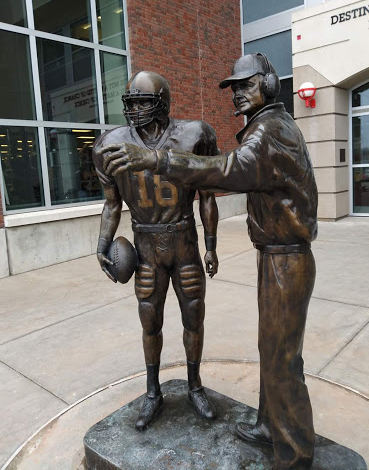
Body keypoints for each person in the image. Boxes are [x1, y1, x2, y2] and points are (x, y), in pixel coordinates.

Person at [96, 54, 318, 470]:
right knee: (272, 350)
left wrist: (158, 161)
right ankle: (270, 425)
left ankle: (294, 457)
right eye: (232, 87)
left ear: (269, 86)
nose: (236, 94)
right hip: (269, 254)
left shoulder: (269, 132)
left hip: (285, 257)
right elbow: (112, 204)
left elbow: (229, 169)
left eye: (245, 85)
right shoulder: (265, 128)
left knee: (282, 358)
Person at [93, 71, 219, 431]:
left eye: (143, 102)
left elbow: (208, 197)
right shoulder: (109, 144)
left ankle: (195, 386)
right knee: (150, 322)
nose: (134, 110)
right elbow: (112, 204)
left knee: (194, 317)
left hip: (185, 243)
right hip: (146, 245)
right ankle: (153, 392)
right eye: (130, 103)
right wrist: (102, 244)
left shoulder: (195, 134)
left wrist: (211, 246)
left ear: (162, 103)